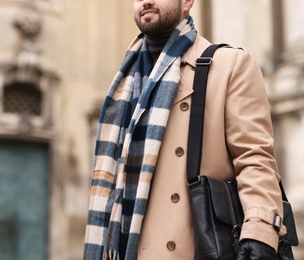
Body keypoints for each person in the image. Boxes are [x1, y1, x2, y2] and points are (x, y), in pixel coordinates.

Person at [84, 0, 287, 259]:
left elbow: (255, 159)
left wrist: (259, 232)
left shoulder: (229, 65)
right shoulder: (124, 84)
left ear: (188, 2)